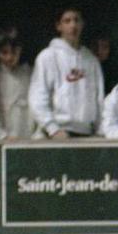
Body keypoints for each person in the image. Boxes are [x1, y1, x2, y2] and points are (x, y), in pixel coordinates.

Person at [28, 7, 105, 138]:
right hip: (56, 133)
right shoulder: (47, 56)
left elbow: (99, 99)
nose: (73, 25)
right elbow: (37, 97)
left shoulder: (91, 61)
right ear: (59, 26)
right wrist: (52, 128)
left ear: (82, 24)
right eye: (67, 21)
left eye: (76, 20)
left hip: (87, 134)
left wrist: (99, 131)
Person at [0, 25, 33, 140]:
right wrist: (2, 135)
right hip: (3, 138)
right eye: (4, 52)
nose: (9, 57)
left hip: (28, 137)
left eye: (14, 52)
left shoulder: (29, 73)